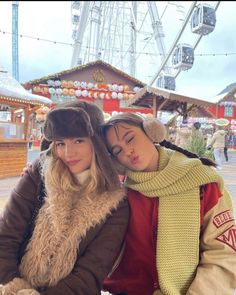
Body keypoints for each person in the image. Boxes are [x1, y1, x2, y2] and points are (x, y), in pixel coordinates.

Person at [0, 100, 129, 295]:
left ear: (96, 143)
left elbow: (91, 272)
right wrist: (15, 287)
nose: (68, 153)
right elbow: (6, 237)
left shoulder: (116, 202)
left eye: (79, 140)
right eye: (61, 143)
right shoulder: (38, 174)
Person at [100, 112, 236, 295]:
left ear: (151, 132)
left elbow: (223, 256)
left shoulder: (203, 184)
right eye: (117, 151)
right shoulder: (120, 196)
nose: (127, 151)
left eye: (130, 139)